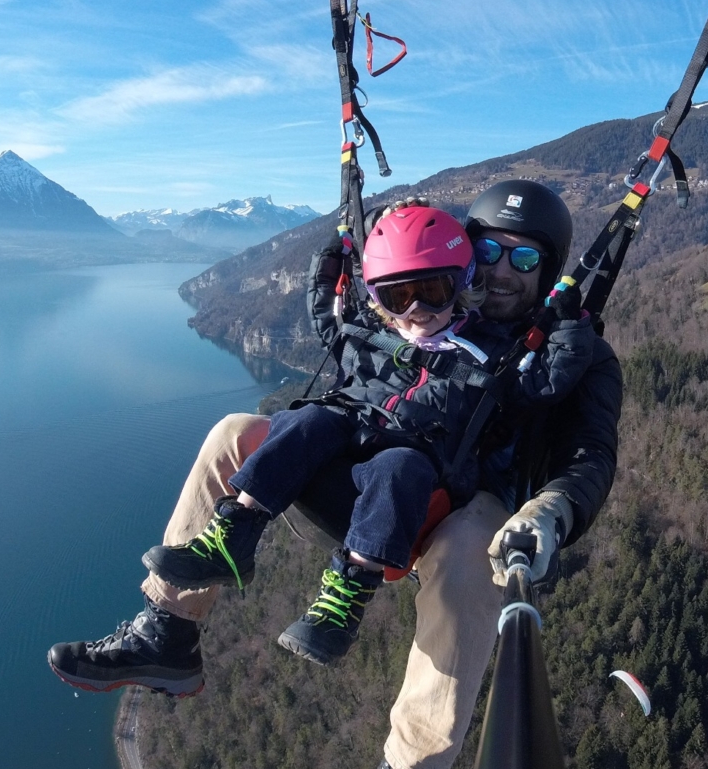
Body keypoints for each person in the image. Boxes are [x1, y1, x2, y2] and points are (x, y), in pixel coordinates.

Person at [47, 180, 622, 769]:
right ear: (464, 249)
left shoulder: (567, 353)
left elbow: (589, 458)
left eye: (524, 260)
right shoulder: (416, 306)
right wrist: (350, 259)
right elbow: (345, 331)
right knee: (236, 432)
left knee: (471, 558)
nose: (499, 269)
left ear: (548, 273)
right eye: (489, 248)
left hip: (466, 495)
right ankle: (168, 632)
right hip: (366, 460)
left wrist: (552, 509)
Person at [138, 201, 594, 665]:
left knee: (399, 467)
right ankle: (234, 533)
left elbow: (545, 381)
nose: (416, 311)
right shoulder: (374, 335)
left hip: (420, 461)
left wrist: (568, 319)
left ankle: (345, 598)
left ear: (459, 285)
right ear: (380, 302)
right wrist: (337, 253)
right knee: (306, 420)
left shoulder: (490, 348)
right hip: (352, 430)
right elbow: (327, 316)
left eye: (433, 293)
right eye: (399, 299)